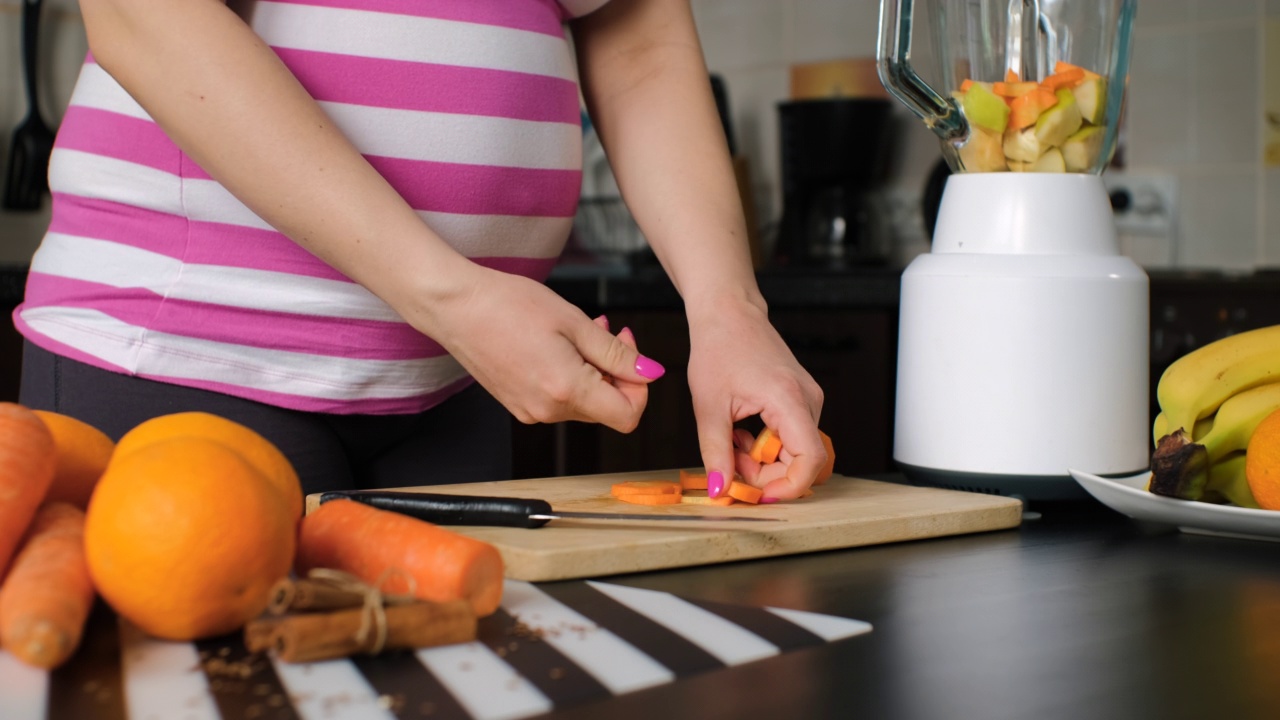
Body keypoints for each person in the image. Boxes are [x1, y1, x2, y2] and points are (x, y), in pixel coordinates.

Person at [14, 0, 826, 501]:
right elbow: (142, 14)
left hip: (454, 382)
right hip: (188, 358)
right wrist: (453, 296)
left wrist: (728, 311)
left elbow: (639, 37)